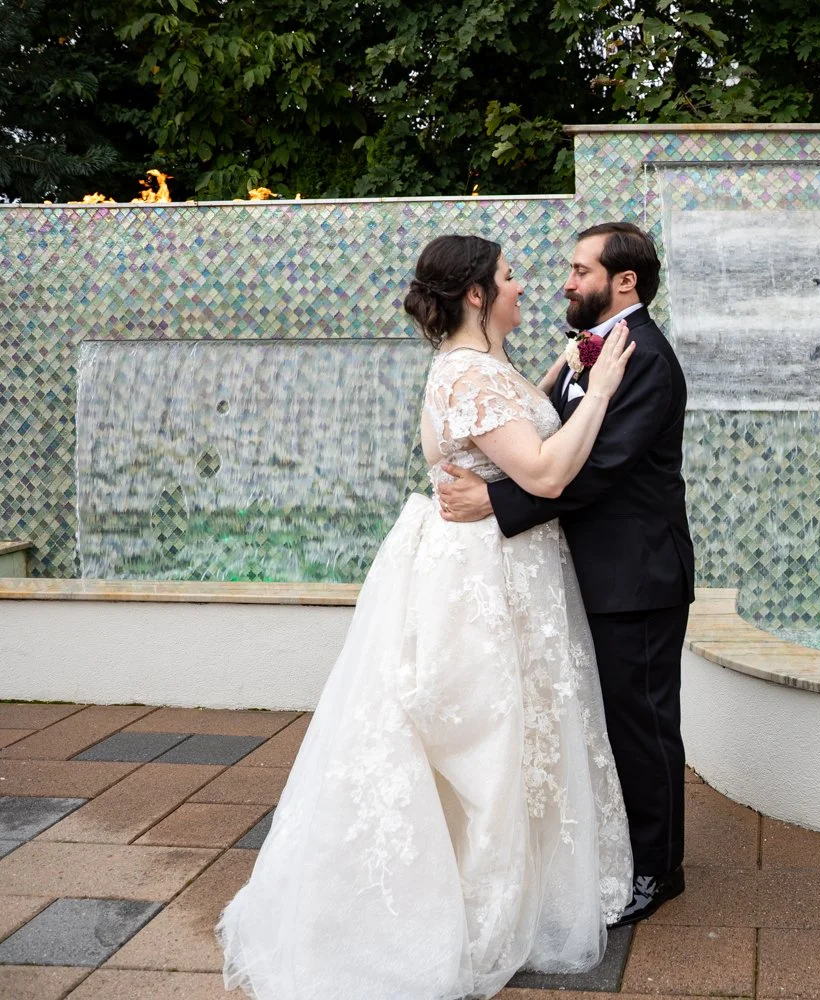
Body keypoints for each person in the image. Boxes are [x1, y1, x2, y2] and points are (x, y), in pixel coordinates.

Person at [217, 234, 635, 1000]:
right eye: (509, 278)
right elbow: (539, 470)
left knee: (509, 728)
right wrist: (601, 389)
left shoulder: (478, 367)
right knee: (492, 731)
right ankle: (472, 896)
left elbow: (510, 419)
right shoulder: (473, 374)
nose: (521, 288)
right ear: (476, 294)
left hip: (486, 563)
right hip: (487, 575)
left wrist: (561, 375)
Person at [437, 221, 694, 925]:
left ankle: (658, 870)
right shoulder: (594, 352)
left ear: (624, 282)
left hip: (637, 575)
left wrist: (496, 500)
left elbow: (601, 468)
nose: (566, 281)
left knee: (642, 723)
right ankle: (632, 852)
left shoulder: (645, 357)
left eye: (580, 270)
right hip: (597, 571)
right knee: (617, 721)